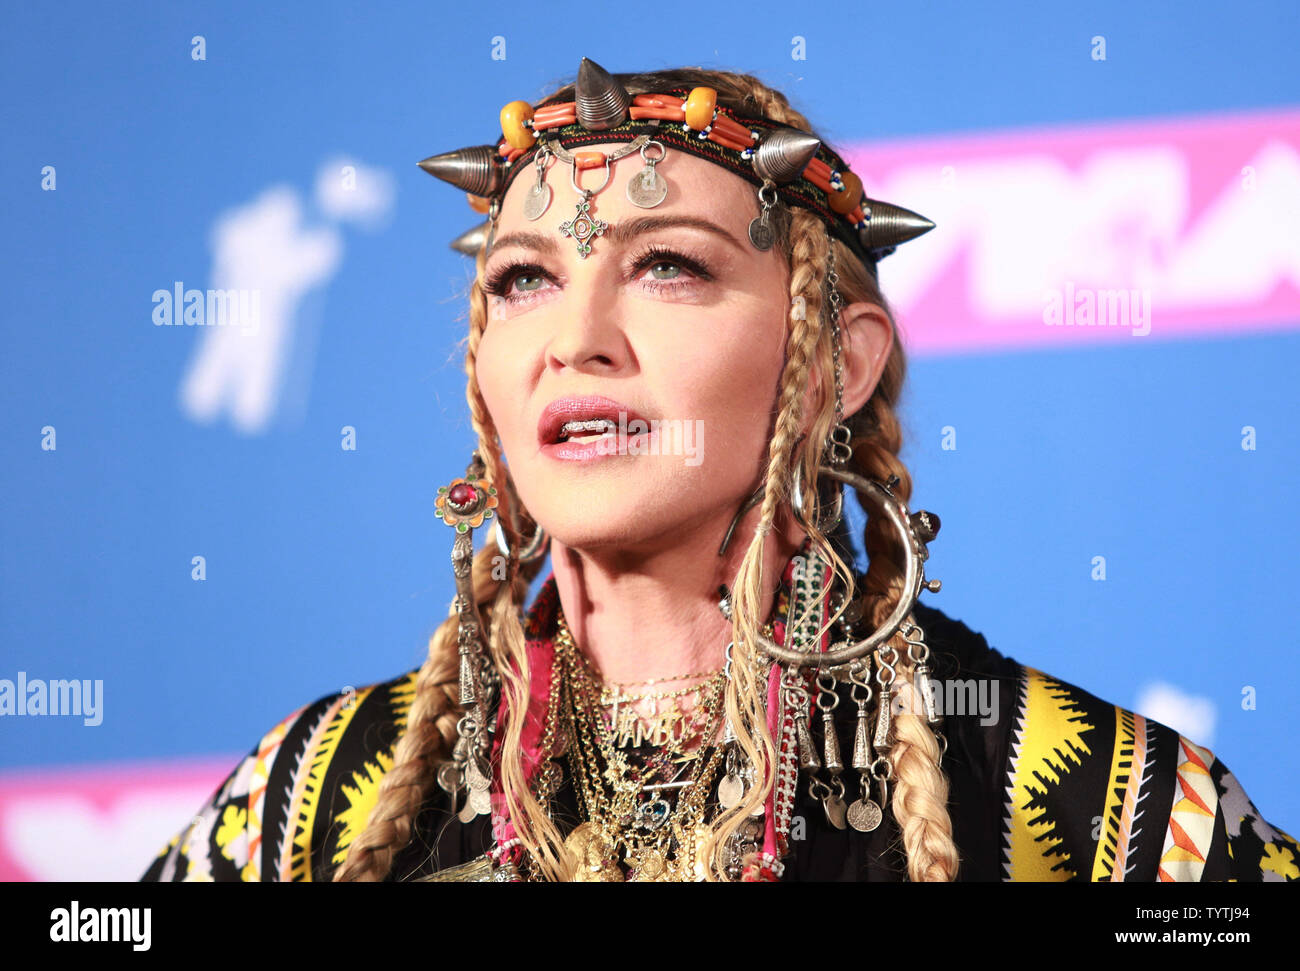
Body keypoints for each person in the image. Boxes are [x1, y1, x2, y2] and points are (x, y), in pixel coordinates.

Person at [141, 58, 1299, 883]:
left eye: (669, 268)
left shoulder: (1094, 803)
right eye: (523, 280)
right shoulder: (312, 797)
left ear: (828, 367)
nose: (575, 338)